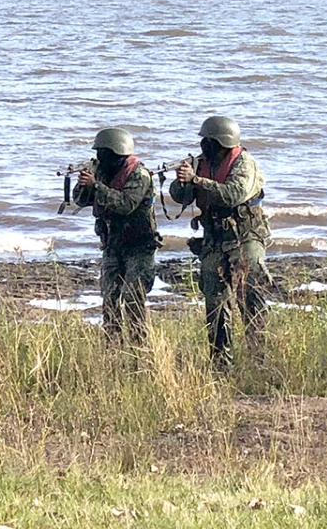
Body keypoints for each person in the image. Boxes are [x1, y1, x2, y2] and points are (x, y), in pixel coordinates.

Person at [169, 116, 271, 369]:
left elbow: (233, 194)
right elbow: (180, 197)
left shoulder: (244, 163)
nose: (204, 145)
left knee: (250, 298)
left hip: (244, 237)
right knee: (215, 303)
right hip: (214, 239)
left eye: (209, 140)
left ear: (223, 142)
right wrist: (181, 181)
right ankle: (220, 364)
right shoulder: (201, 164)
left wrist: (197, 180)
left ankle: (260, 361)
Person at [73, 127, 159, 344]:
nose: (99, 157)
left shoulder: (139, 175)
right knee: (110, 298)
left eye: (103, 153)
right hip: (113, 245)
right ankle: (112, 348)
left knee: (133, 299)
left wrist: (96, 186)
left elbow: (126, 204)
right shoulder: (101, 172)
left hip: (139, 246)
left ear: (117, 153)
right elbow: (80, 200)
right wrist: (84, 184)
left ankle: (141, 349)